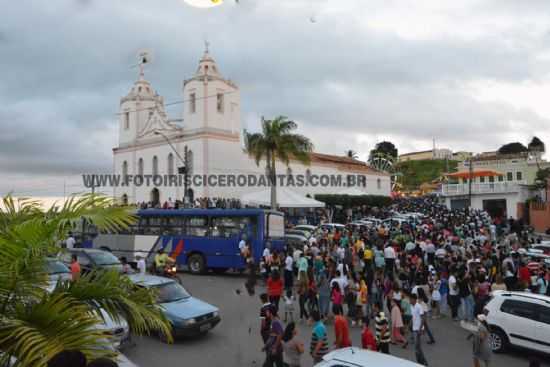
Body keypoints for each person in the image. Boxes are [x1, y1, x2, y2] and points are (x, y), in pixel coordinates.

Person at [411, 294, 429, 366]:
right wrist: (408, 326)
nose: (410, 301)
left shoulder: (419, 307)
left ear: (414, 300)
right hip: (414, 328)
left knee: (416, 347)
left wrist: (420, 329)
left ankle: (421, 362)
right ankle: (422, 362)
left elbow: (423, 318)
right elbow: (413, 317)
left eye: (411, 299)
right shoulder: (412, 306)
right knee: (418, 347)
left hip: (417, 330)